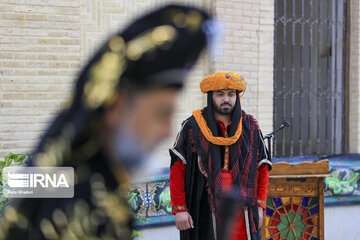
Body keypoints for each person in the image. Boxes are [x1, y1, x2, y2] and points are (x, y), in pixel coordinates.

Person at [0, 4, 213, 239]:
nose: (166, 131)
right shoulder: (81, 214)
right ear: (116, 105)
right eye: (161, 114)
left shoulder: (97, 186)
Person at [169, 72, 272, 240]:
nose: (226, 99)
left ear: (237, 97)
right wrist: (180, 209)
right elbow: (177, 169)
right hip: (204, 205)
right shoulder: (192, 126)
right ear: (211, 97)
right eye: (220, 94)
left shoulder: (250, 126)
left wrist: (260, 207)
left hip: (244, 208)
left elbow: (262, 169)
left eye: (231, 94)